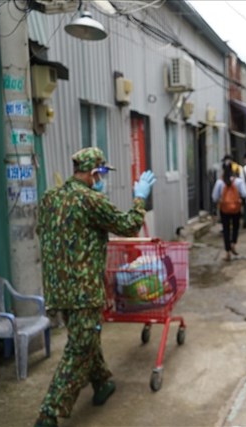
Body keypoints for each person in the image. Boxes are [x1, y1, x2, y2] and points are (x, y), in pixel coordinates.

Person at [34, 147, 156, 427]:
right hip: (83, 290)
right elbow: (129, 226)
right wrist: (139, 198)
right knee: (79, 347)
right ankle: (49, 413)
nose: (103, 179)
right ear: (93, 174)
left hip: (57, 289)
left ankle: (102, 383)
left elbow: (48, 233)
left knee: (85, 337)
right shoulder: (91, 200)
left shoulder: (50, 198)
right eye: (102, 174)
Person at [212, 159, 246, 261]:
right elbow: (245, 194)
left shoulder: (220, 182)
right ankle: (233, 243)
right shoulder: (238, 181)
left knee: (226, 229)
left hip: (224, 209)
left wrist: (220, 200)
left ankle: (227, 252)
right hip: (236, 208)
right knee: (236, 227)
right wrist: (240, 199)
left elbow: (214, 197)